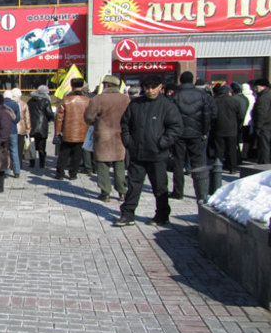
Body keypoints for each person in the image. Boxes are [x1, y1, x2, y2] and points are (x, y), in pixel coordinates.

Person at [115, 75, 183, 227]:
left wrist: (162, 143)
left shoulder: (167, 106)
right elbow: (125, 124)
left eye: (153, 87)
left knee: (160, 186)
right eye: (147, 88)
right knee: (133, 186)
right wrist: (128, 141)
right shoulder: (135, 104)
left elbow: (176, 127)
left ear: (160, 87)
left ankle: (162, 215)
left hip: (157, 154)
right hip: (137, 153)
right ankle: (127, 214)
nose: (150, 91)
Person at [84, 75, 130, 202]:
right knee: (119, 164)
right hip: (120, 136)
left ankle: (105, 193)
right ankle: (122, 192)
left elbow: (89, 117)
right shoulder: (125, 99)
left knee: (102, 164)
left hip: (103, 136)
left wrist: (94, 122)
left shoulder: (98, 99)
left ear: (106, 85)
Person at [170, 71, 213, 200]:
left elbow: (170, 115)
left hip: (179, 134)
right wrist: (205, 131)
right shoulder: (202, 95)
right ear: (193, 80)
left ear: (180, 81)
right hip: (197, 133)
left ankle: (178, 191)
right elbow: (207, 115)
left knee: (178, 163)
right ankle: (201, 192)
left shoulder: (175, 95)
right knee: (198, 163)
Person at [54, 78, 90, 180]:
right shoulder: (87, 101)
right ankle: (73, 174)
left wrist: (57, 132)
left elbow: (59, 117)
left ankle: (60, 174)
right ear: (82, 86)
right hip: (82, 132)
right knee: (77, 154)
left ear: (72, 86)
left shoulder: (66, 100)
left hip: (67, 131)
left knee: (64, 153)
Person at [212, 85, 242, 173]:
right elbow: (240, 116)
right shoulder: (235, 101)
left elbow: (213, 115)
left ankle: (218, 167)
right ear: (229, 92)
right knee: (232, 149)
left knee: (219, 150)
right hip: (232, 129)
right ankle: (233, 168)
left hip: (218, 128)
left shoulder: (215, 101)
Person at [26, 85, 54, 169]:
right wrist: (50, 119)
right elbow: (49, 113)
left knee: (32, 145)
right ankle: (42, 163)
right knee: (42, 146)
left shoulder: (30, 101)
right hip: (42, 126)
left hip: (31, 126)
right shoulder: (46, 101)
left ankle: (32, 163)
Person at [11, 87, 31, 170]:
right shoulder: (24, 104)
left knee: (12, 147)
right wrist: (28, 129)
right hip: (22, 128)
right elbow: (27, 118)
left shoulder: (10, 104)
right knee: (20, 148)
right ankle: (19, 164)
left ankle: (12, 164)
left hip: (12, 128)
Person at [2, 90, 21, 178]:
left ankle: (6, 171)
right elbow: (18, 118)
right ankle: (17, 171)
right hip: (13, 130)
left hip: (3, 131)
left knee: (5, 150)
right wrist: (13, 123)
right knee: (14, 150)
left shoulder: (1, 105)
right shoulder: (15, 105)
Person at [252, 78, 271, 164]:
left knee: (264, 147)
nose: (255, 89)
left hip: (265, 126)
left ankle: (264, 164)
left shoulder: (263, 97)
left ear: (263, 86)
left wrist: (258, 127)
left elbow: (261, 113)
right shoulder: (268, 95)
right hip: (268, 124)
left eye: (257, 87)